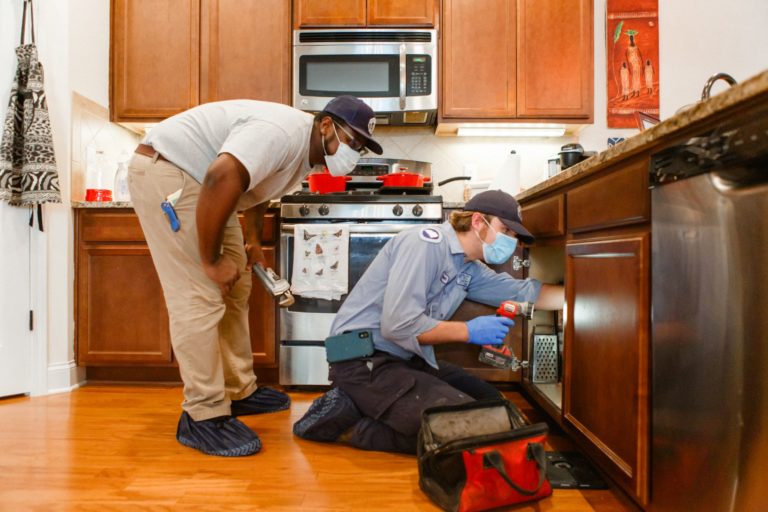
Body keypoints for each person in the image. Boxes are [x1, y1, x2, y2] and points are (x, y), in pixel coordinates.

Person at [127, 95, 382, 457]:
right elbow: (222, 174)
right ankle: (203, 414)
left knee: (237, 285)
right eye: (351, 140)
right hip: (172, 172)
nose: (353, 152)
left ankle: (238, 390)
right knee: (199, 293)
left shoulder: (308, 155)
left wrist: (252, 242)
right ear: (325, 125)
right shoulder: (280, 132)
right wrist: (211, 261)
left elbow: (256, 186)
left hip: (210, 185)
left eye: (361, 148)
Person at [293, 190, 565, 454]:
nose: (510, 241)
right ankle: (348, 424)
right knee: (467, 430)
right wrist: (469, 331)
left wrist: (585, 295)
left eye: (514, 236)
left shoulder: (468, 268)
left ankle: (361, 404)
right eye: (506, 231)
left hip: (405, 359)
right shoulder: (425, 244)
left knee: (496, 409)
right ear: (478, 222)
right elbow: (397, 325)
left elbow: (523, 292)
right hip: (361, 361)